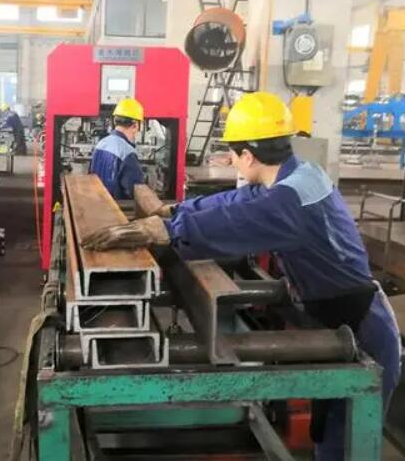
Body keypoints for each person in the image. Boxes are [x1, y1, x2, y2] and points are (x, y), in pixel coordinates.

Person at [83, 91, 401, 460]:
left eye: (233, 153)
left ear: (248, 155)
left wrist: (167, 230)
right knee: (326, 435)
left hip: (363, 330)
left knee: (342, 445)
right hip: (338, 317)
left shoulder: (288, 201)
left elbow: (238, 220)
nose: (231, 160)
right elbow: (233, 202)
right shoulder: (297, 176)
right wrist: (175, 211)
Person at [89, 97, 145, 200]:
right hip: (118, 207)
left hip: (97, 204)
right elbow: (136, 191)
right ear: (135, 125)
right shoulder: (127, 152)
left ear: (115, 121)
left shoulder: (101, 144)